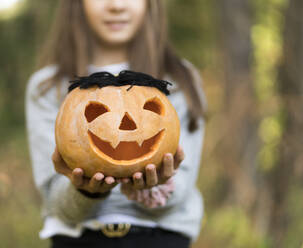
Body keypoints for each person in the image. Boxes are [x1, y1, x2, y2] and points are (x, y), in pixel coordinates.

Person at [25, 0, 206, 247]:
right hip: (78, 239)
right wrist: (86, 191)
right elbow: (55, 202)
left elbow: (181, 190)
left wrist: (156, 187)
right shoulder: (47, 87)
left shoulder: (180, 80)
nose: (117, 5)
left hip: (161, 238)